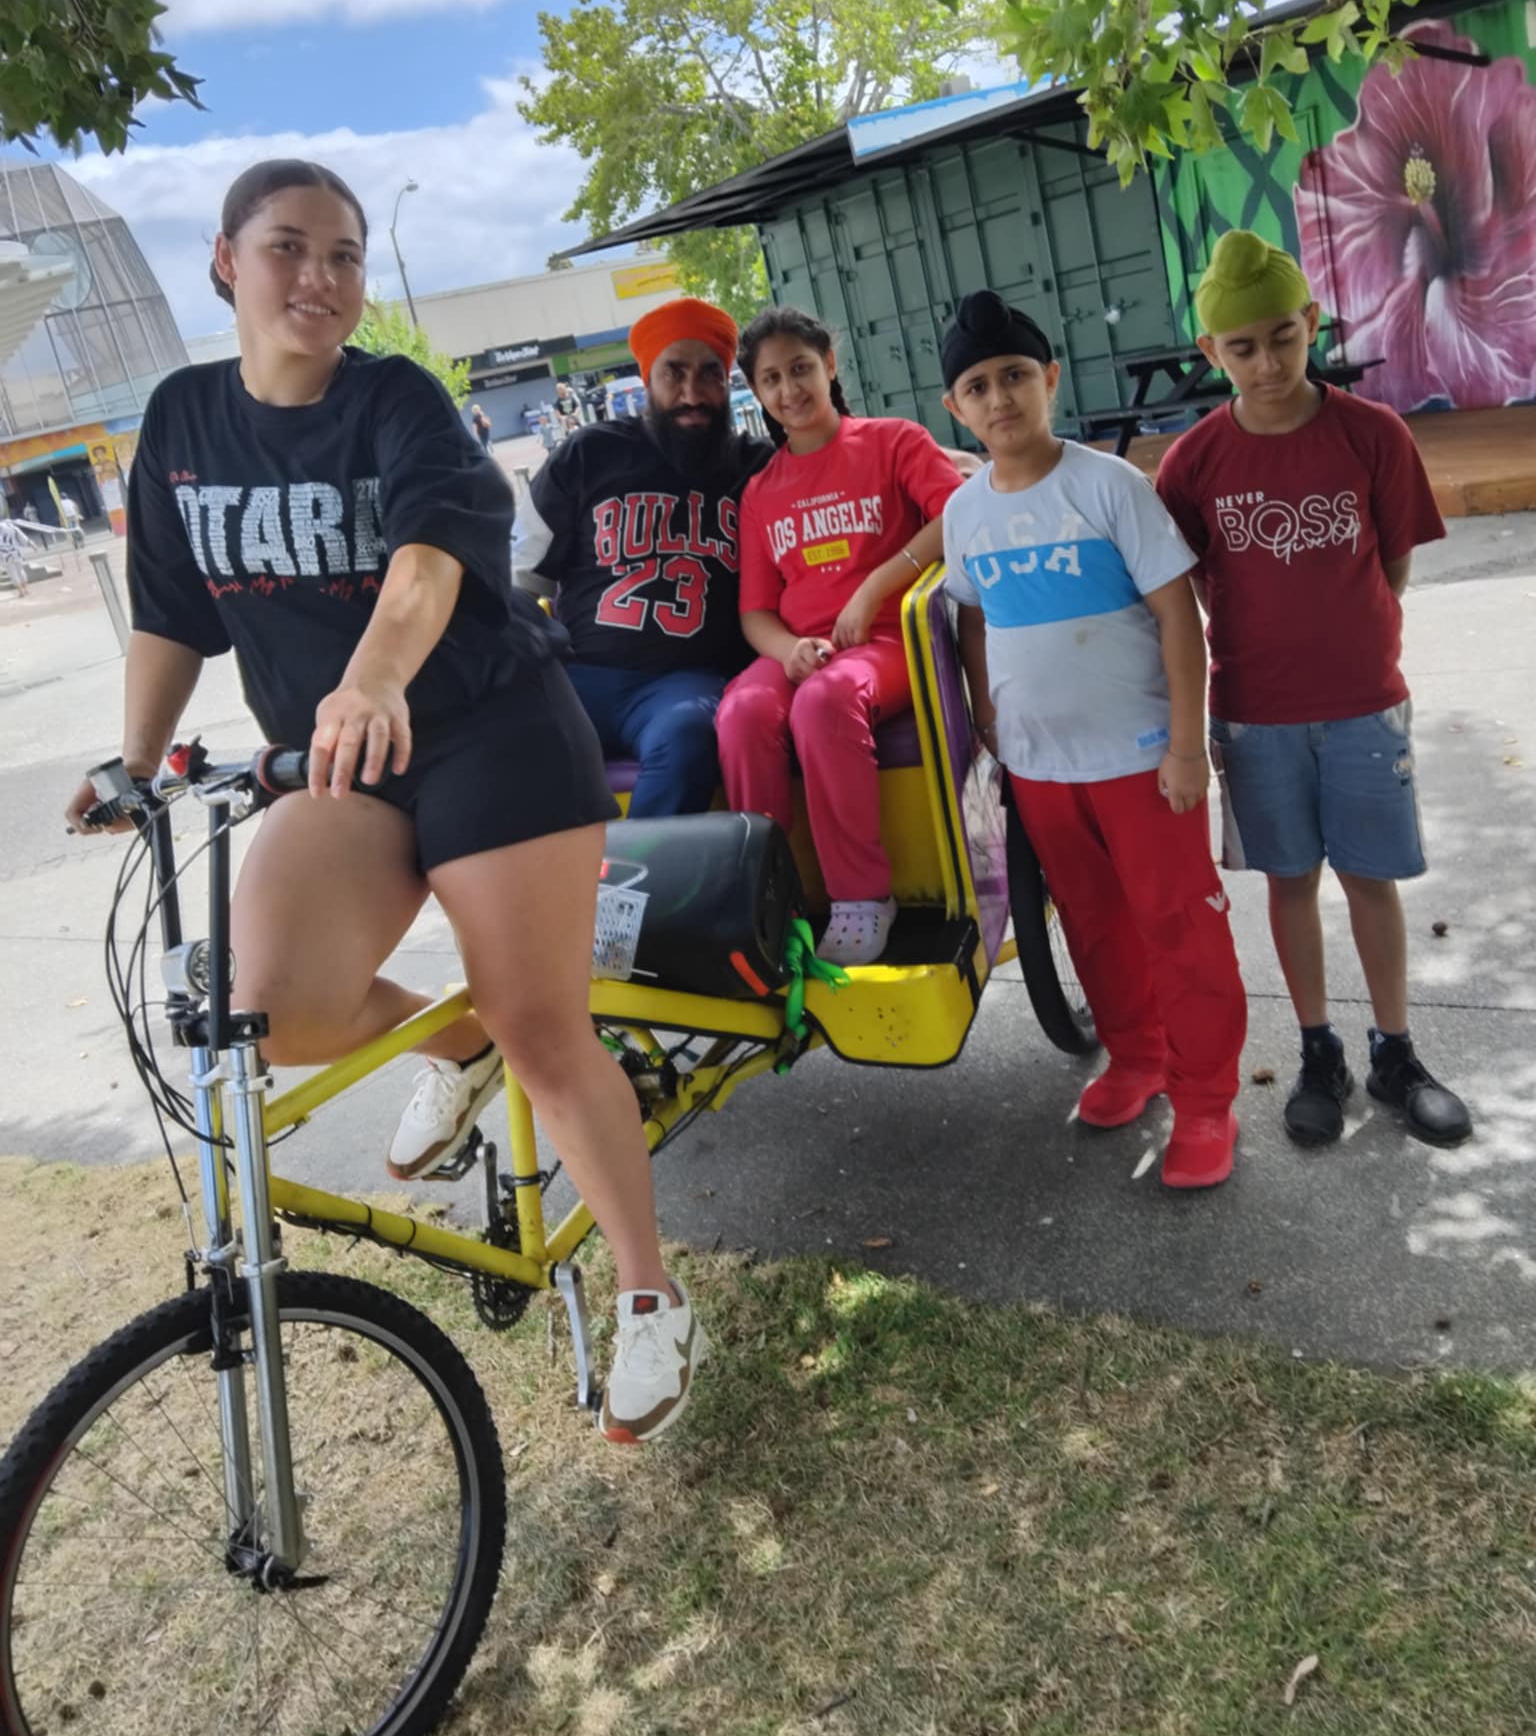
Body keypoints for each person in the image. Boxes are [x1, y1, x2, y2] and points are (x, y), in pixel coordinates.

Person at [63, 158, 706, 1445]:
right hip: (342, 757)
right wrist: (132, 762)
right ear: (224, 261)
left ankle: (650, 1290)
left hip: (489, 729)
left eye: (345, 254)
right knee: (267, 1007)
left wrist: (366, 682)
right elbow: (173, 614)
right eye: (290, 247)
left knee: (540, 1023)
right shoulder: (182, 421)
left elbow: (423, 567)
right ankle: (448, 1046)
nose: (321, 277)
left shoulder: (397, 399)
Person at [1157, 230, 1470, 1150]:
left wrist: (1350, 647)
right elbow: (1185, 590)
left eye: (1283, 337)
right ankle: (1318, 1050)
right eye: (1242, 347)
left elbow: (1395, 560)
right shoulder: (1193, 465)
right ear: (1210, 353)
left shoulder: (1373, 434)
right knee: (1290, 883)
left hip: (1366, 703)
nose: (1267, 362)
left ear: (1312, 325)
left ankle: (1395, 1050)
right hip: (1256, 717)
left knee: (1372, 879)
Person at [942, 291, 1247, 1189]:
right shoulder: (964, 513)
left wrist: (1185, 747)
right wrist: (991, 721)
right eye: (977, 386)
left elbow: (1176, 617)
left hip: (1142, 762)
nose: (1000, 398)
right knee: (1096, 928)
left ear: (1050, 380)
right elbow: (969, 623)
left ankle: (1203, 1101)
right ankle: (1137, 1057)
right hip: (1040, 769)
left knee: (1179, 931)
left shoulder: (1109, 486)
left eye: (1014, 377)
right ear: (955, 409)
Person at [716, 306, 965, 966]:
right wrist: (786, 651)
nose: (789, 390)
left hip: (891, 642)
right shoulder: (762, 491)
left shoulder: (893, 442)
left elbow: (956, 515)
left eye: (801, 369)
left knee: (825, 702)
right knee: (741, 711)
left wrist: (877, 584)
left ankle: (862, 897)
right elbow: (756, 614)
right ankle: (768, 894)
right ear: (756, 391)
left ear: (830, 363)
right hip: (802, 648)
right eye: (771, 379)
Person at [512, 297, 772, 815]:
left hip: (685, 684)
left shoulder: (758, 467)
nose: (692, 393)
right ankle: (540, 892)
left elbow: (847, 460)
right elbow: (520, 580)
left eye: (709, 374)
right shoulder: (587, 453)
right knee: (497, 739)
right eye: (673, 372)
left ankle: (637, 891)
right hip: (581, 674)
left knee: (687, 738)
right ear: (646, 376)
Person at [0, 512, 30, 597]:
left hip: (4, 553)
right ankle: (26, 589)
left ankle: (21, 591)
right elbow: (21, 535)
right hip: (15, 551)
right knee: (20, 570)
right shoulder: (10, 525)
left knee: (12, 572)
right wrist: (30, 544)